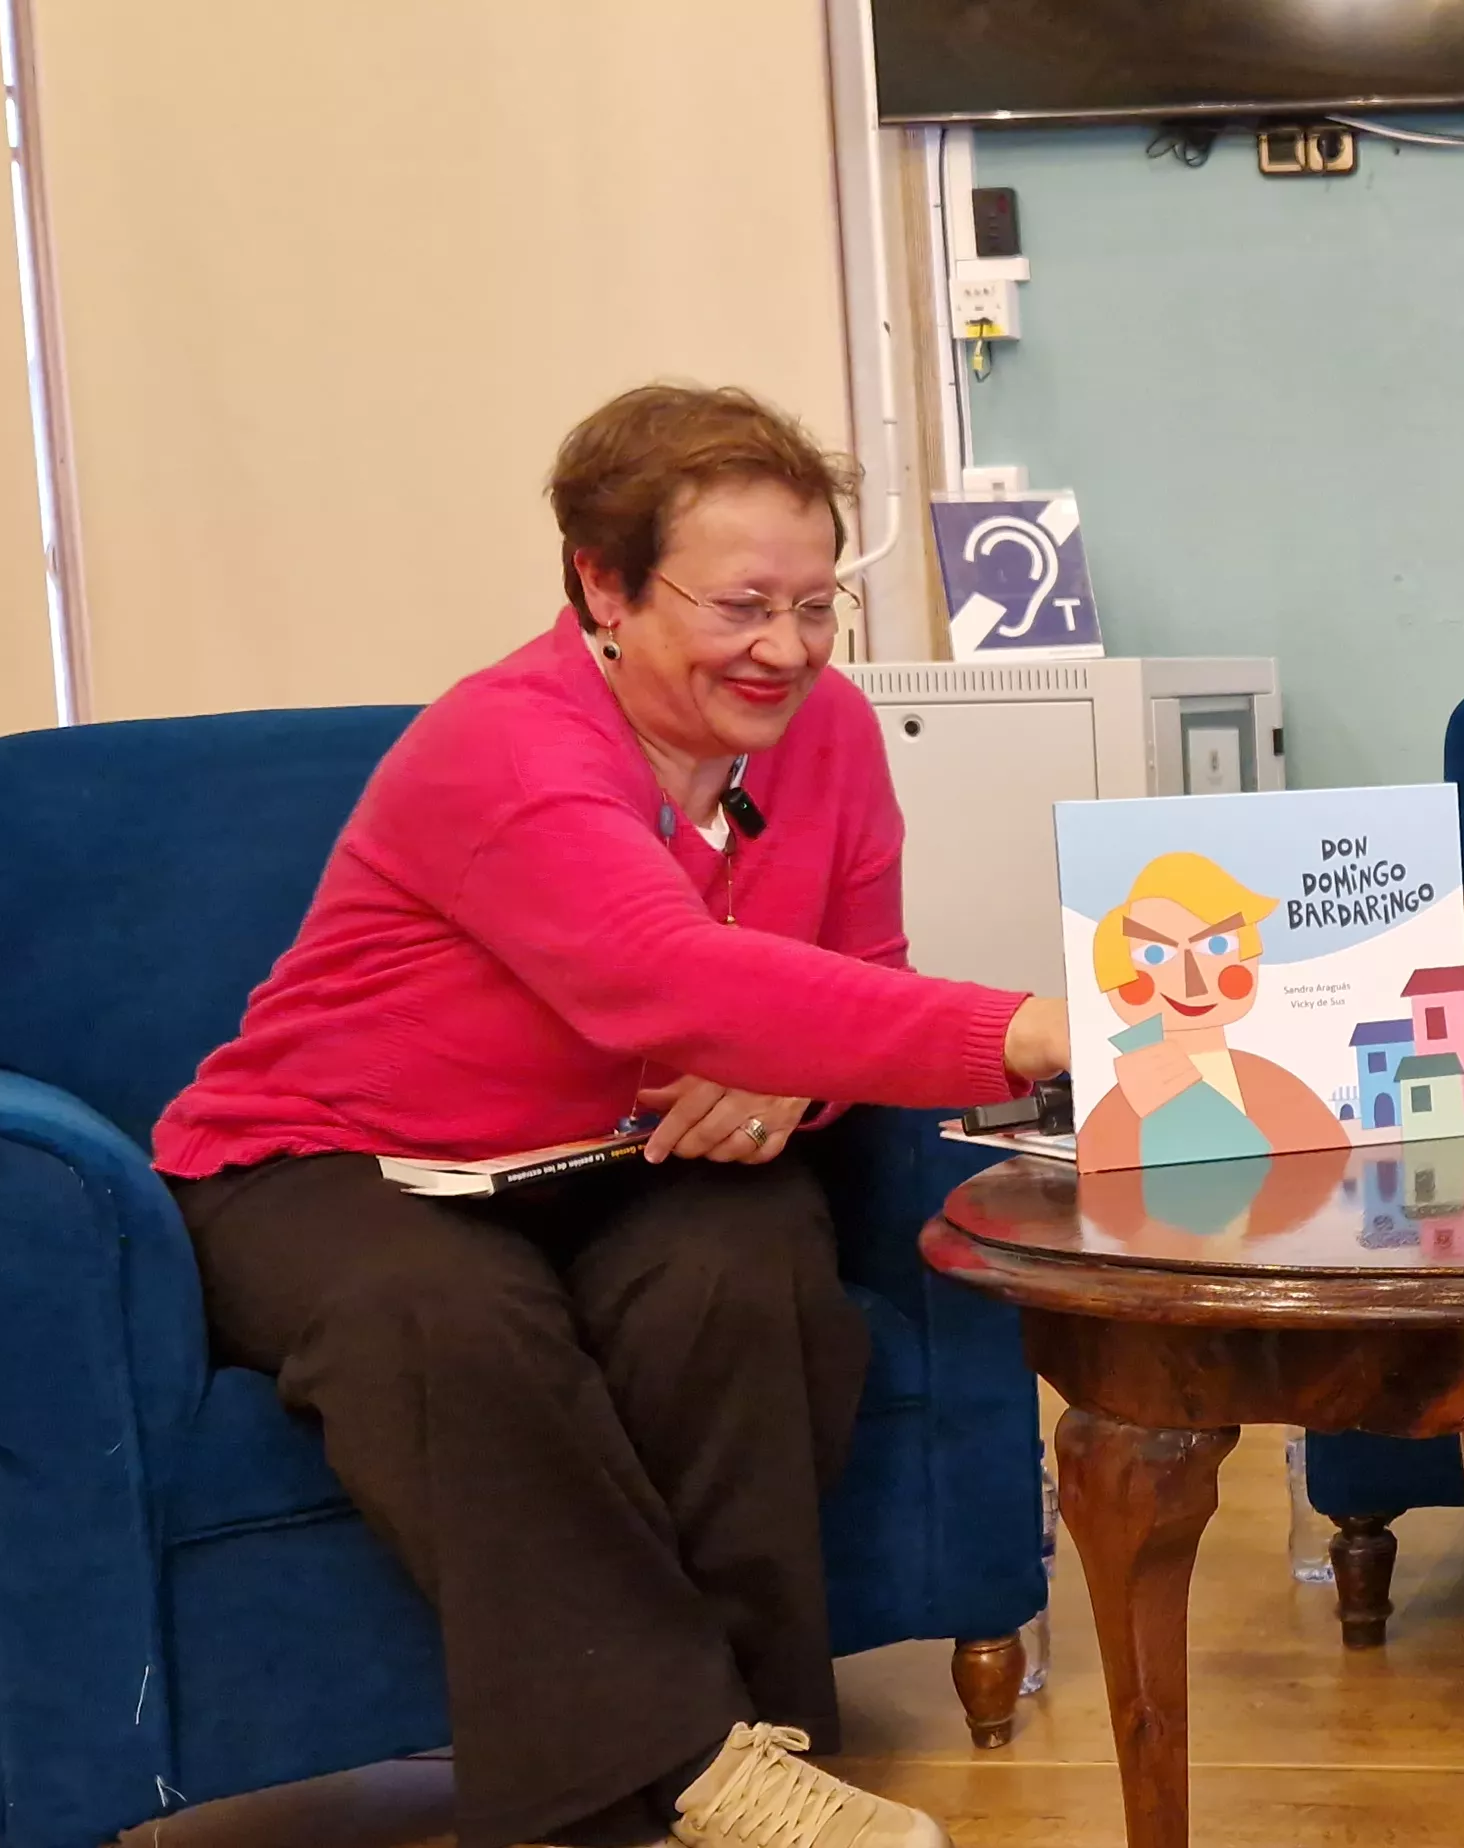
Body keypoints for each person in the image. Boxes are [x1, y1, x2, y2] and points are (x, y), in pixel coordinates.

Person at [151, 386, 1070, 1848]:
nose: (788, 651)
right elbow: (659, 973)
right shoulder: (505, 744)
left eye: (817, 606)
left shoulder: (830, 733)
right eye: (741, 606)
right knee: (445, 1322)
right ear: (603, 585)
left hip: (619, 1156)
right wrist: (1032, 1030)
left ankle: (762, 1741)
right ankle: (692, 1772)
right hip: (335, 1159)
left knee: (745, 1264)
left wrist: (795, 1073)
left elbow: (858, 976)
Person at [1082, 850, 1348, 1166]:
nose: (1192, 983)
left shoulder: (1277, 1087)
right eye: (1154, 954)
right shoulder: (1116, 1110)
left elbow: (1329, 1161)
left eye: (1217, 945)